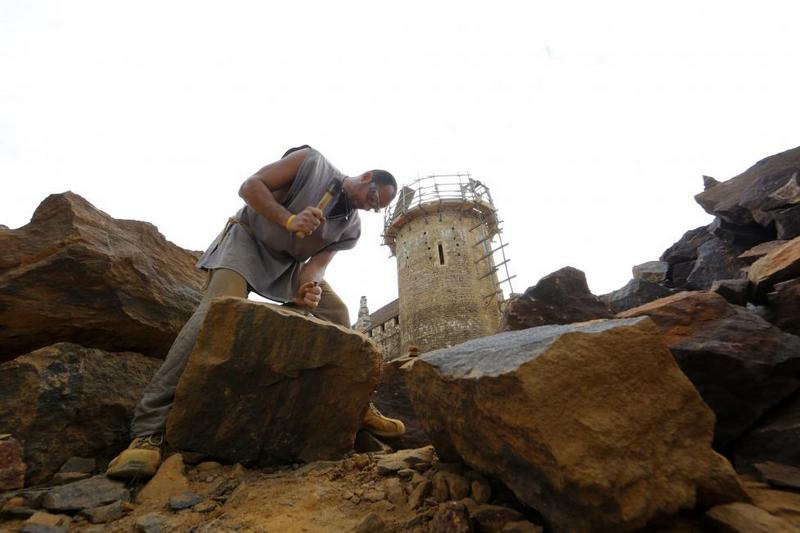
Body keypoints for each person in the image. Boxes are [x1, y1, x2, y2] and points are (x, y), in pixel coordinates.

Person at [107, 145, 405, 479]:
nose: (370, 207)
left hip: (288, 265)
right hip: (247, 241)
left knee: (338, 314)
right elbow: (250, 186)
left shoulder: (351, 229)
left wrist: (310, 288)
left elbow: (315, 267)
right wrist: (288, 219)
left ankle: (355, 404)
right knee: (216, 314)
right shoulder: (311, 163)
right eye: (374, 198)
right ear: (367, 177)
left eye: (377, 208)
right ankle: (147, 431)